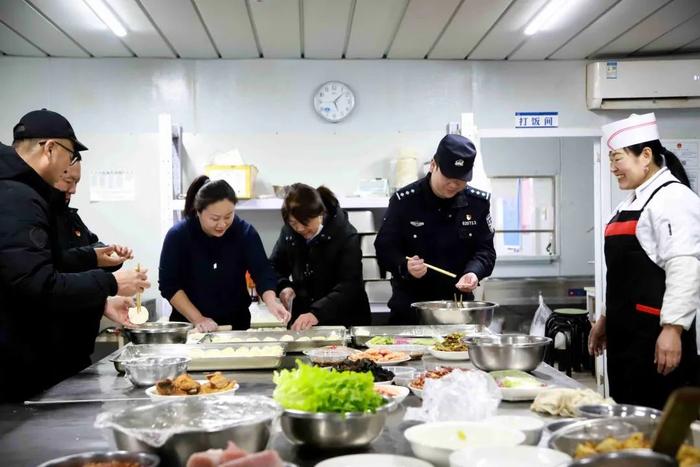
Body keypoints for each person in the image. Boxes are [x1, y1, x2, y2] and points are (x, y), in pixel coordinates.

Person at [0, 109, 149, 401]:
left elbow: (45, 261)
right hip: (18, 367)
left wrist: (93, 258)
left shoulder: (23, 193)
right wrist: (111, 283)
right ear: (50, 148)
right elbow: (39, 284)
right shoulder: (17, 197)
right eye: (70, 156)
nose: (70, 166)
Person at [589, 113, 699, 409]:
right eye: (611, 160)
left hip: (656, 338)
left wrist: (673, 329)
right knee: (628, 413)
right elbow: (622, 274)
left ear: (646, 155)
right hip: (626, 337)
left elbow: (685, 266)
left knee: (658, 420)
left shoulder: (673, 199)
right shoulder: (630, 202)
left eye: (618, 159)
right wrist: (605, 317)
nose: (613, 168)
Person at [374, 134, 496, 325]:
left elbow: (485, 251)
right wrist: (405, 267)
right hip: (411, 311)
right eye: (448, 177)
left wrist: (473, 272)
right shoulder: (405, 201)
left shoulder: (477, 204)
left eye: (461, 179)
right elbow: (384, 248)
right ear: (433, 165)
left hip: (458, 311)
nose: (454, 185)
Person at [159, 175, 290, 331]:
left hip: (236, 324)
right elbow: (169, 284)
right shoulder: (179, 236)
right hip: (191, 326)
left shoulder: (244, 232)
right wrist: (198, 319)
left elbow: (262, 272)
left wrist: (271, 301)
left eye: (228, 216)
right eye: (214, 218)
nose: (222, 224)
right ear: (198, 211)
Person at [52, 162, 135, 373]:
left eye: (76, 182)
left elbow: (88, 252)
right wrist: (110, 284)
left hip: (77, 351)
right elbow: (52, 277)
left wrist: (111, 257)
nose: (73, 189)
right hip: (48, 351)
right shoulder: (35, 218)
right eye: (68, 181)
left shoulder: (70, 216)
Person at [269, 184, 371, 330]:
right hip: (304, 321)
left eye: (305, 223)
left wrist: (316, 313)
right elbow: (274, 266)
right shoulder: (289, 233)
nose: (299, 229)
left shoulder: (345, 235)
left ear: (320, 214)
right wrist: (283, 286)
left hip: (344, 320)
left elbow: (349, 285)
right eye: (293, 223)